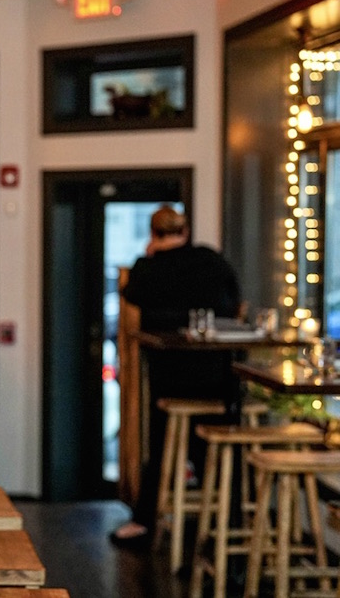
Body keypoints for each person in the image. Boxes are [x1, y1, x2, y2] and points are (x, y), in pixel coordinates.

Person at [111, 205, 242, 546]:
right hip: (217, 376)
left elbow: (131, 294)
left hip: (169, 378)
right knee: (210, 448)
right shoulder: (210, 260)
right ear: (185, 231)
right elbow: (234, 303)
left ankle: (146, 521)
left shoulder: (148, 268)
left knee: (162, 447)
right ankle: (228, 522)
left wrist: (149, 256)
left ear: (153, 234)